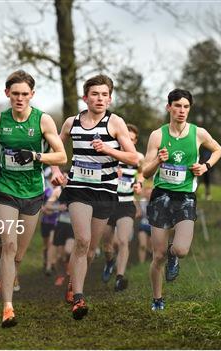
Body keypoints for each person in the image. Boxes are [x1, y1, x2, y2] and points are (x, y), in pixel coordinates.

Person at [0, 70, 67, 327]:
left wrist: (35, 156)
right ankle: (8, 307)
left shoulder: (43, 121)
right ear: (7, 93)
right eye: (15, 93)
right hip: (6, 190)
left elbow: (61, 156)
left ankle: (6, 275)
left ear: (32, 95)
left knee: (18, 254)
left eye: (24, 94)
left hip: (32, 192)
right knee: (8, 246)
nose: (19, 98)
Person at [51, 74, 138, 320]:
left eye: (104, 95)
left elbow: (134, 158)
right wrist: (56, 172)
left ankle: (73, 282)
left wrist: (109, 149)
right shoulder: (72, 122)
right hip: (78, 188)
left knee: (90, 249)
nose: (100, 98)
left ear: (109, 99)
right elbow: (55, 151)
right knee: (82, 240)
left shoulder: (115, 123)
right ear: (85, 97)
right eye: (95, 94)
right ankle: (79, 298)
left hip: (105, 191)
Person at [142, 89, 221, 311]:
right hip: (161, 196)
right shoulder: (158, 135)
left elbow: (218, 150)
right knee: (157, 256)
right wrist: (158, 160)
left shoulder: (198, 133)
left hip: (186, 197)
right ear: (169, 107)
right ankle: (157, 299)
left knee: (181, 250)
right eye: (177, 106)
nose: (182, 111)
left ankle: (173, 255)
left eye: (186, 107)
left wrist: (205, 166)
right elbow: (145, 172)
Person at [101, 124, 145, 291]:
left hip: (126, 203)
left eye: (133, 140)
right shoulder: (110, 153)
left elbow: (141, 172)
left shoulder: (138, 157)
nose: (130, 142)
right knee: (107, 244)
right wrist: (111, 174)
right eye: (127, 139)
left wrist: (139, 184)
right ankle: (109, 261)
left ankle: (119, 277)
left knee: (123, 240)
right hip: (107, 203)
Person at [136, 186, 153, 264]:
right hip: (143, 225)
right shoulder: (142, 201)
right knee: (142, 245)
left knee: (151, 248)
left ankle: (153, 263)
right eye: (147, 193)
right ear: (145, 194)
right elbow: (138, 212)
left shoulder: (156, 202)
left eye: (150, 193)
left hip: (153, 226)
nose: (149, 195)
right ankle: (141, 264)